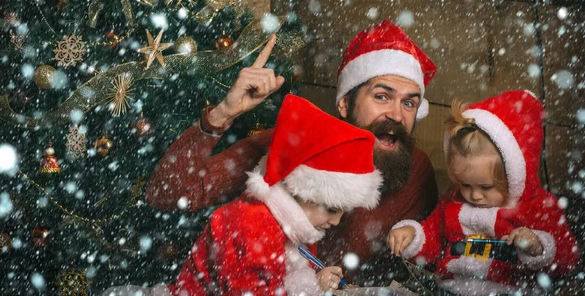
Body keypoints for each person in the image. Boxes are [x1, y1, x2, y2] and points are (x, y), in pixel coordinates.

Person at [146, 19, 439, 283]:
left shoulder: (415, 169)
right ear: (344, 104)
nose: (397, 115)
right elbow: (167, 194)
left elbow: (427, 261)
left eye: (409, 103)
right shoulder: (294, 145)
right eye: (382, 96)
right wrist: (223, 114)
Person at [105, 95, 383, 295]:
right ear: (300, 189)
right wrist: (313, 289)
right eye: (332, 210)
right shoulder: (251, 222)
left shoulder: (298, 223)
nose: (335, 222)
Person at [387, 90, 579, 295]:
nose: (474, 195)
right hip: (451, 288)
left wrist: (539, 247)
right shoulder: (453, 201)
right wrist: (413, 235)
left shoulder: (538, 206)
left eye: (486, 187)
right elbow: (432, 236)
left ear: (515, 175)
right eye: (464, 184)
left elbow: (568, 258)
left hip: (510, 290)